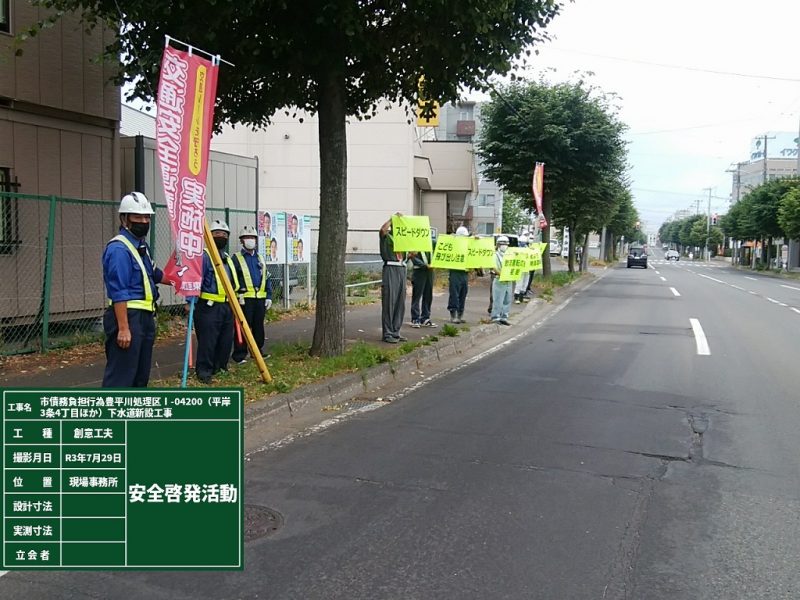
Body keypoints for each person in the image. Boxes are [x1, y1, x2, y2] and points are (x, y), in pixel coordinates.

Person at [101, 192, 164, 387]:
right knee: (121, 376)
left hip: (144, 319)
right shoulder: (119, 249)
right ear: (125, 219)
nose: (144, 222)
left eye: (147, 217)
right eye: (138, 217)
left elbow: (154, 273)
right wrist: (123, 328)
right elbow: (118, 291)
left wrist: (183, 280)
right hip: (128, 317)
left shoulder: (141, 246)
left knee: (140, 375)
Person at [194, 220, 239, 384]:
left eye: (224, 234)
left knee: (225, 340)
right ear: (209, 236)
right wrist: (189, 301)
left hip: (226, 306)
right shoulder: (204, 257)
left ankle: (221, 367)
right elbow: (195, 280)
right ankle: (204, 371)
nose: (221, 236)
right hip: (208, 306)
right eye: (217, 234)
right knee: (208, 341)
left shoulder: (227, 258)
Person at [232, 224, 272, 362]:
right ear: (242, 241)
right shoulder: (236, 258)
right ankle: (239, 354)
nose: (250, 240)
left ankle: (257, 351)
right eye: (246, 237)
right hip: (244, 299)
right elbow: (232, 279)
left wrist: (269, 296)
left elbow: (267, 278)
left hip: (260, 299)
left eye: (252, 237)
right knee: (242, 327)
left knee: (258, 326)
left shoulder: (260, 258)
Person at [379, 213, 408, 343]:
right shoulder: (387, 237)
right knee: (389, 300)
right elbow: (382, 230)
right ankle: (388, 333)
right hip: (390, 268)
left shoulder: (404, 240)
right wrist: (393, 219)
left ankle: (396, 331)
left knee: (400, 302)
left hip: (402, 269)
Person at [409, 231, 436, 328]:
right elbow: (413, 257)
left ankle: (425, 317)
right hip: (419, 272)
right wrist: (424, 265)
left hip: (430, 272)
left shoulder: (432, 243)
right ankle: (415, 318)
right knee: (417, 295)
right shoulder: (416, 243)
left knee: (428, 295)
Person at [447, 226, 470, 323]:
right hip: (455, 271)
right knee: (454, 294)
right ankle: (453, 315)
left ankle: (460, 315)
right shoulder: (453, 244)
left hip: (464, 272)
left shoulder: (467, 245)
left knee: (463, 294)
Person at [491, 235, 512, 326]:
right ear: (498, 245)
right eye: (502, 244)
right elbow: (493, 266)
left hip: (508, 280)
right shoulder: (495, 255)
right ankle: (496, 317)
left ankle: (504, 317)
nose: (504, 245)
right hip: (499, 279)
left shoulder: (510, 255)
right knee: (498, 299)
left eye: (506, 244)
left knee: (507, 299)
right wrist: (500, 274)